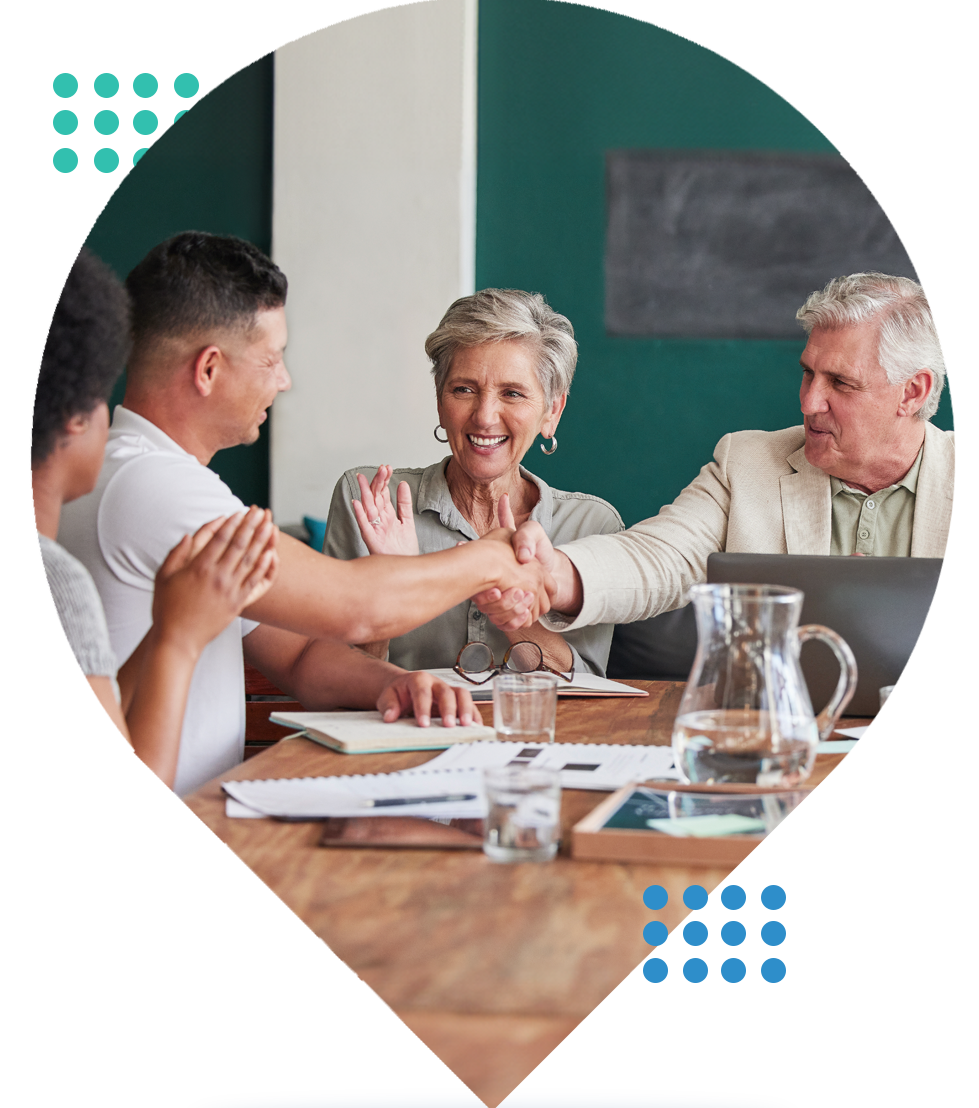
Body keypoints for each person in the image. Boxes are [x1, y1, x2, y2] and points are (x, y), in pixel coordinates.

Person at [58, 234, 553, 795]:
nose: (284, 380)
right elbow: (354, 606)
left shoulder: (141, 473)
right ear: (209, 369)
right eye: (272, 359)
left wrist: (391, 683)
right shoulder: (155, 487)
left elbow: (297, 655)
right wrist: (494, 558)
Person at [481, 273, 955, 631]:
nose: (809, 401)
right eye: (808, 373)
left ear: (912, 392)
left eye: (841, 383)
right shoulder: (747, 463)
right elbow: (658, 555)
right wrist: (554, 574)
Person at [31, 249, 279, 789]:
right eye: (101, 396)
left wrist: (172, 621)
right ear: (73, 418)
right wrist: (176, 638)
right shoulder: (52, 578)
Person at [324, 289, 623, 678]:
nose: (484, 416)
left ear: (552, 411)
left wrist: (506, 594)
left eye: (512, 393)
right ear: (439, 400)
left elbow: (587, 689)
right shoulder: (370, 499)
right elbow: (336, 678)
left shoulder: (590, 525)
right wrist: (389, 583)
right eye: (463, 389)